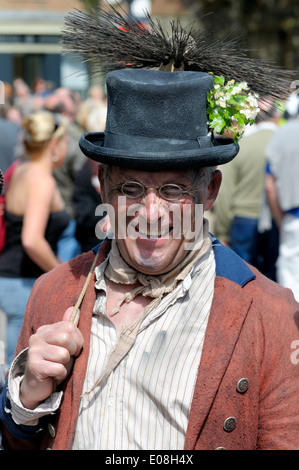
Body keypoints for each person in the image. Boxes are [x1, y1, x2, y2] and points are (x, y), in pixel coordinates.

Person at [0, 8, 298, 451]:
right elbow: (17, 442)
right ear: (104, 185)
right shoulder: (54, 292)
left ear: (209, 190)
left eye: (174, 189)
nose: (151, 212)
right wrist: (25, 400)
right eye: (131, 188)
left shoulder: (268, 314)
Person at [0, 110, 70, 370]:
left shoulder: (21, 169)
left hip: (11, 278)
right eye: (64, 142)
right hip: (24, 283)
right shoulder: (41, 180)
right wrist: (60, 273)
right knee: (16, 369)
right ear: (54, 144)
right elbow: (31, 239)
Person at [265, 114, 299, 301]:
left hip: (293, 217)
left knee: (291, 278)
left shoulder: (281, 134)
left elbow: (270, 186)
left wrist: (281, 220)